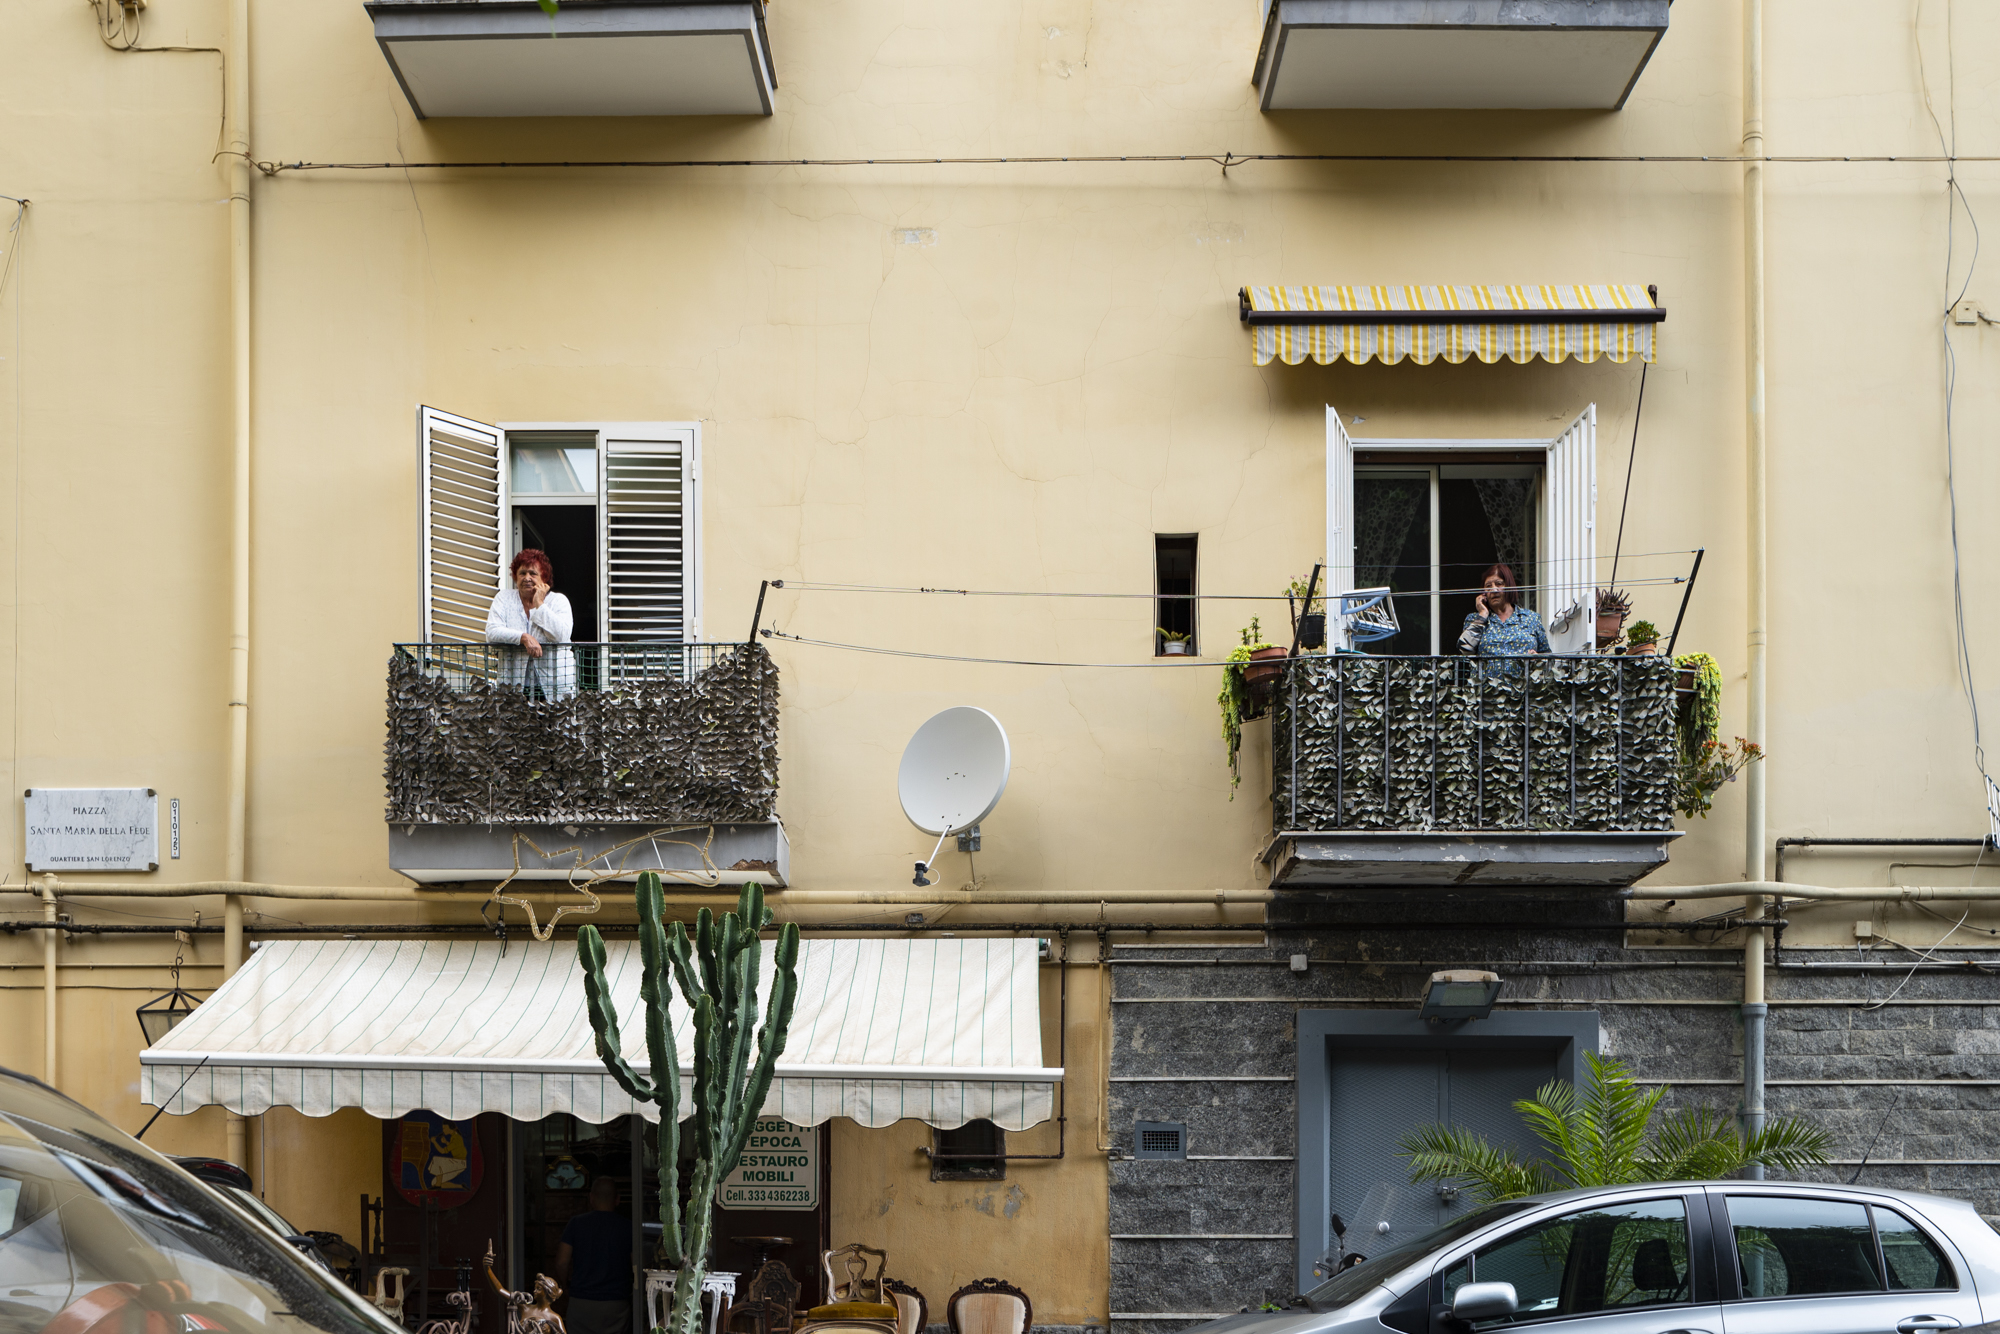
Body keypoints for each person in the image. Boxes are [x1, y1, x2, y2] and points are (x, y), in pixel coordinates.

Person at [486, 548, 577, 698]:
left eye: (533, 573)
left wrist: (539, 605)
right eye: (522, 573)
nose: (527, 578)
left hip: (553, 685)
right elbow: (492, 632)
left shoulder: (559, 601)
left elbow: (561, 635)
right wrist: (524, 637)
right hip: (514, 686)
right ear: (515, 576)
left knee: (552, 721)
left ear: (544, 578)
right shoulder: (504, 598)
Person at [556, 1177, 632, 1334]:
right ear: (617, 1199)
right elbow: (636, 1263)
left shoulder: (576, 1224)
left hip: (581, 1303)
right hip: (616, 1304)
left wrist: (565, 1286)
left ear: (591, 1198)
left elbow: (562, 1262)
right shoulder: (627, 1227)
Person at [1457, 562, 1551, 656]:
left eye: (1499, 584)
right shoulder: (1474, 619)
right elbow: (1464, 650)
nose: (1494, 590)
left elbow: (1548, 659)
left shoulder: (1531, 618)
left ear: (1509, 585)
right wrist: (1482, 615)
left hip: (1524, 671)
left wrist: (1537, 660)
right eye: (1488, 586)